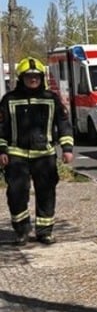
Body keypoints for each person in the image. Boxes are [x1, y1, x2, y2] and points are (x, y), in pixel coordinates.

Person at [0, 57, 74, 245]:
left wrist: (67, 148)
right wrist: (2, 150)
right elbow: (1, 128)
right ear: (21, 78)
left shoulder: (51, 98)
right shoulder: (9, 100)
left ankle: (45, 231)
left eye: (36, 76)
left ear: (41, 77)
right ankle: (22, 230)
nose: (33, 79)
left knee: (46, 193)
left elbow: (64, 124)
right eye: (29, 76)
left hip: (44, 155)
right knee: (16, 193)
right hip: (17, 154)